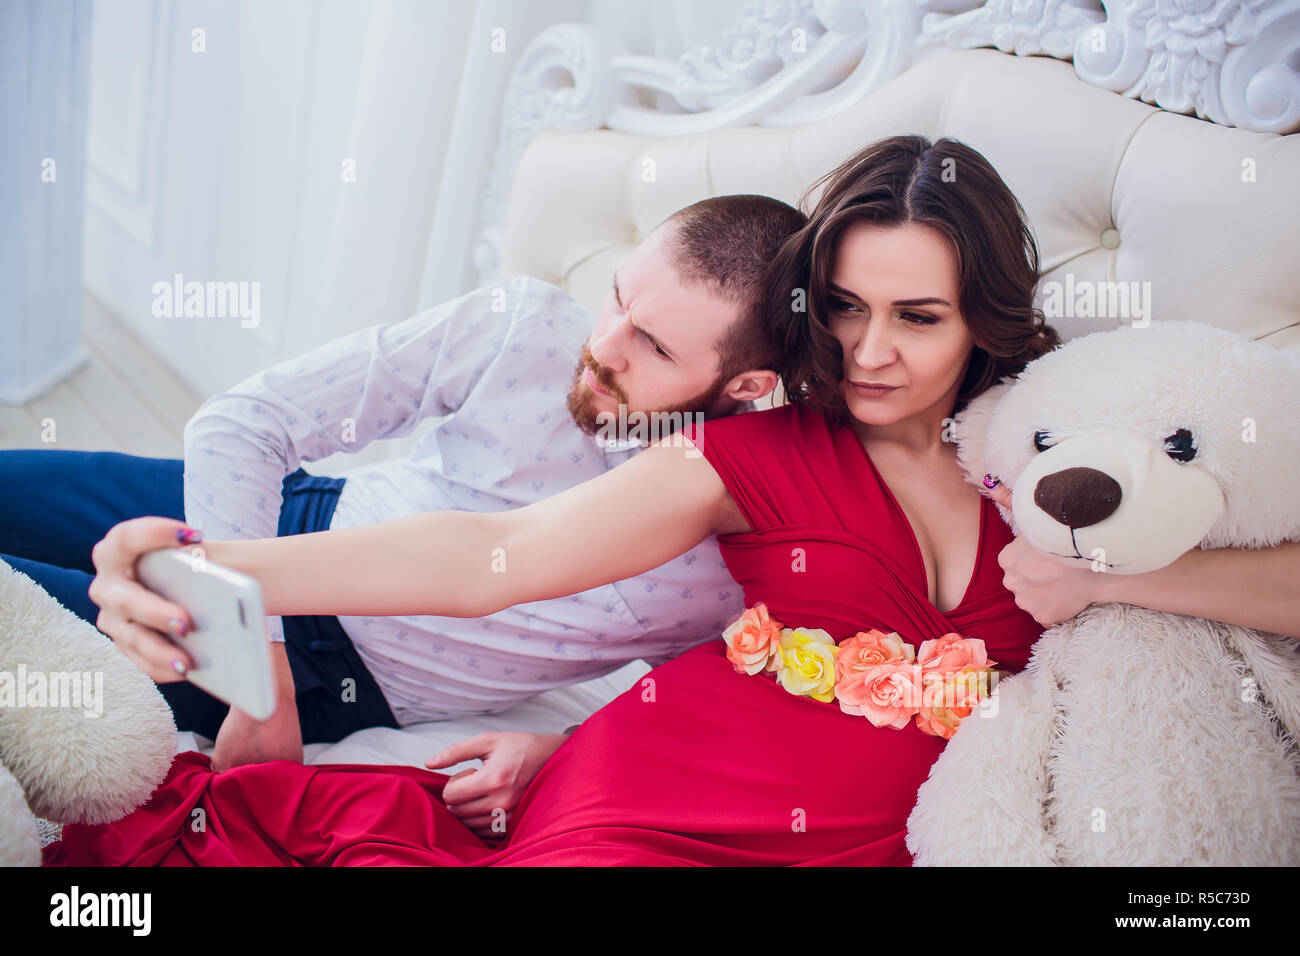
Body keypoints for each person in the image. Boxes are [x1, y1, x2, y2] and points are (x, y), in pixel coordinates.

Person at [57, 134, 1300, 866]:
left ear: (983, 315)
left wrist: (1101, 583)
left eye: (916, 316)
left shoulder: (1064, 455)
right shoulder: (766, 452)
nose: (871, 352)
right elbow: (495, 555)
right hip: (646, 791)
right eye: (847, 310)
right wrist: (213, 570)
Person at [0, 195, 804, 805]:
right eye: (620, 297)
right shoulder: (524, 327)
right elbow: (245, 422)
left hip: (343, 674)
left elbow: (692, 710)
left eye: (654, 347)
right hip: (285, 519)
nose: (604, 345)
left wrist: (555, 749)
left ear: (745, 387)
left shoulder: (729, 554)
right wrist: (259, 672)